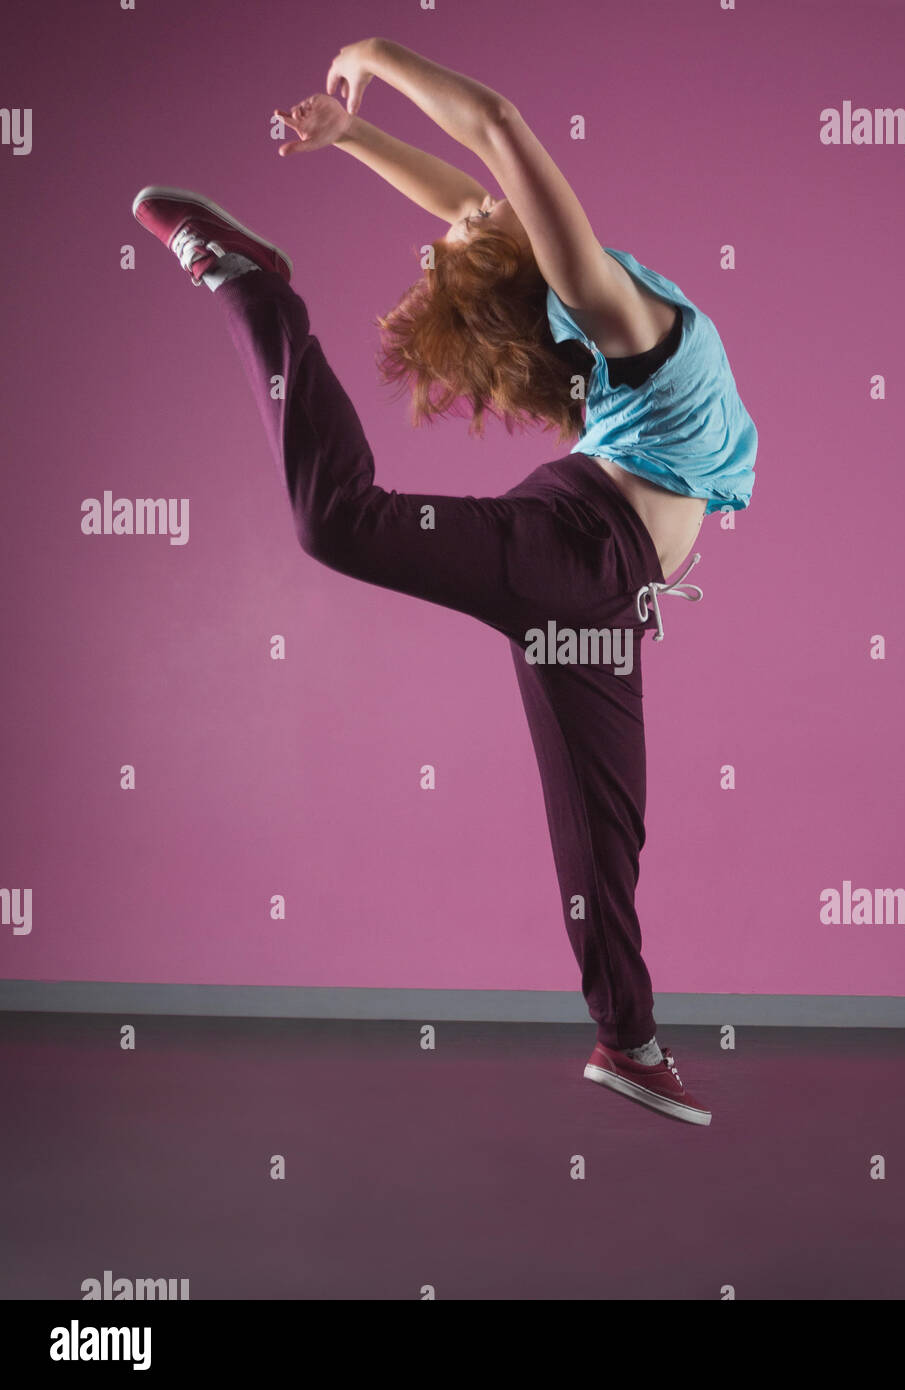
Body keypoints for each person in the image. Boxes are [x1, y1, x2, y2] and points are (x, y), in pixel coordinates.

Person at [132, 38, 757, 1126]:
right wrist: (368, 73)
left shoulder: (603, 304)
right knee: (335, 519)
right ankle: (258, 297)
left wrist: (361, 113)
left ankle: (628, 1039)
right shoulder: (607, 306)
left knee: (603, 834)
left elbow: (481, 176)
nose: (460, 216)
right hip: (576, 547)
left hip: (599, 591)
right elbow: (498, 139)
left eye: (468, 230)